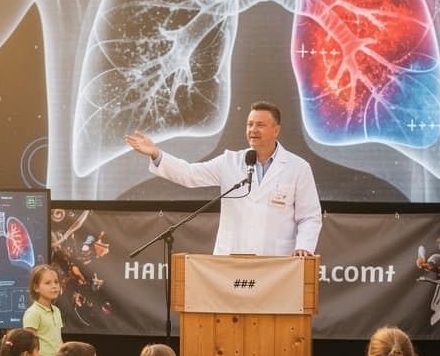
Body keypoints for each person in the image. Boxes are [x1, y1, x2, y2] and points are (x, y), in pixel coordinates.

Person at [125, 101, 322, 256]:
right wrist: (156, 153)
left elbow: (310, 217)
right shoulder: (230, 161)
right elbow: (189, 174)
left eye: (260, 125)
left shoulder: (298, 168)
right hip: (232, 258)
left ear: (276, 130)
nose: (253, 129)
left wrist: (304, 247)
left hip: (277, 260)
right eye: (250, 124)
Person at [22, 264, 64, 356]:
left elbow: (58, 339)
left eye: (56, 282)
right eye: (48, 283)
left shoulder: (56, 311)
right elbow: (28, 343)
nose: (54, 286)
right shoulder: (33, 312)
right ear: (36, 287)